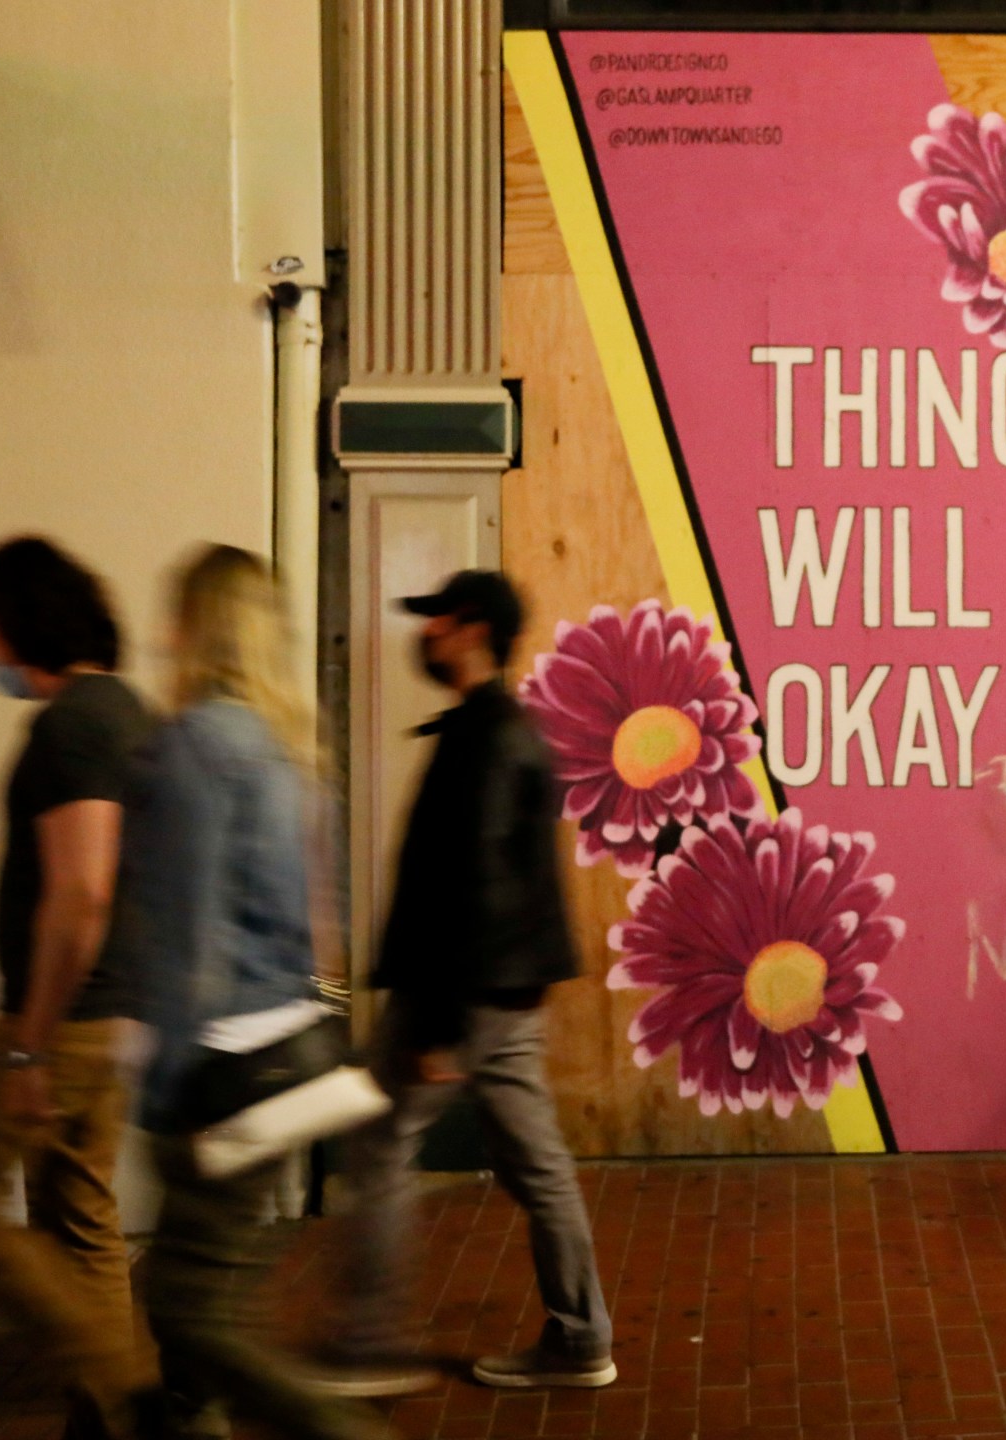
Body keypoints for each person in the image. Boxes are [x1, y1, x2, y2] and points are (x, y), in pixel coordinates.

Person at [112, 545, 389, 1440]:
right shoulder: (289, 753)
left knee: (193, 1309)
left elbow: (187, 937)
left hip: (226, 1064)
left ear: (196, 627)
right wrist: (322, 1021)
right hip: (291, 1052)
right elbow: (325, 923)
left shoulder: (193, 745)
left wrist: (157, 1092)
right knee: (191, 1293)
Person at [313, 569, 612, 1397]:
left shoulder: (485, 737)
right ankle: (582, 1336)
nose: (424, 634)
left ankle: (370, 1343)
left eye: (434, 620)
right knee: (538, 1163)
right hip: (508, 989)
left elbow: (473, 879)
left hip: (461, 993)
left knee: (376, 1143)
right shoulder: (501, 728)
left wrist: (441, 1026)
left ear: (470, 627)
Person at [0, 536, 162, 1440]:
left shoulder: (75, 725)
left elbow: (82, 892)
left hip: (61, 1020)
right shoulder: (126, 713)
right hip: (106, 1015)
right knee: (81, 1217)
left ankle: (128, 1387)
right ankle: (106, 1416)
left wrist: (28, 1040)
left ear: (23, 623)